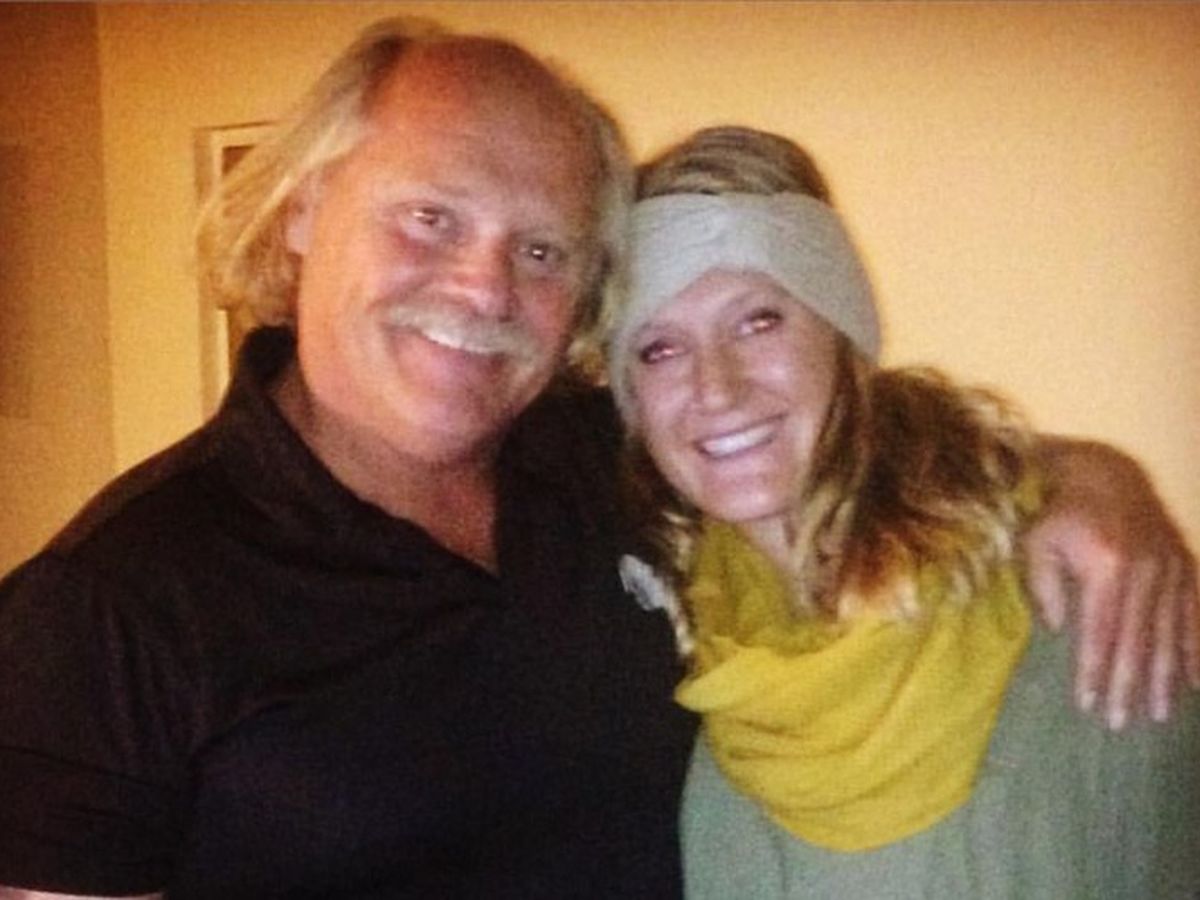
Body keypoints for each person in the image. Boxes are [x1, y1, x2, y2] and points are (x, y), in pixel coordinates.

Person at [0, 18, 1192, 900]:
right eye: (432, 216)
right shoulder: (103, 610)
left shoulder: (601, 464)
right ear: (306, 208)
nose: (483, 288)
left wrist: (1084, 477)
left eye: (541, 249)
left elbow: (809, 442)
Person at [605, 125, 1200, 899]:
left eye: (759, 320)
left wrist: (1100, 475)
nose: (716, 388)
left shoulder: (1089, 607)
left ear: (842, 333)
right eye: (658, 349)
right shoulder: (677, 647)